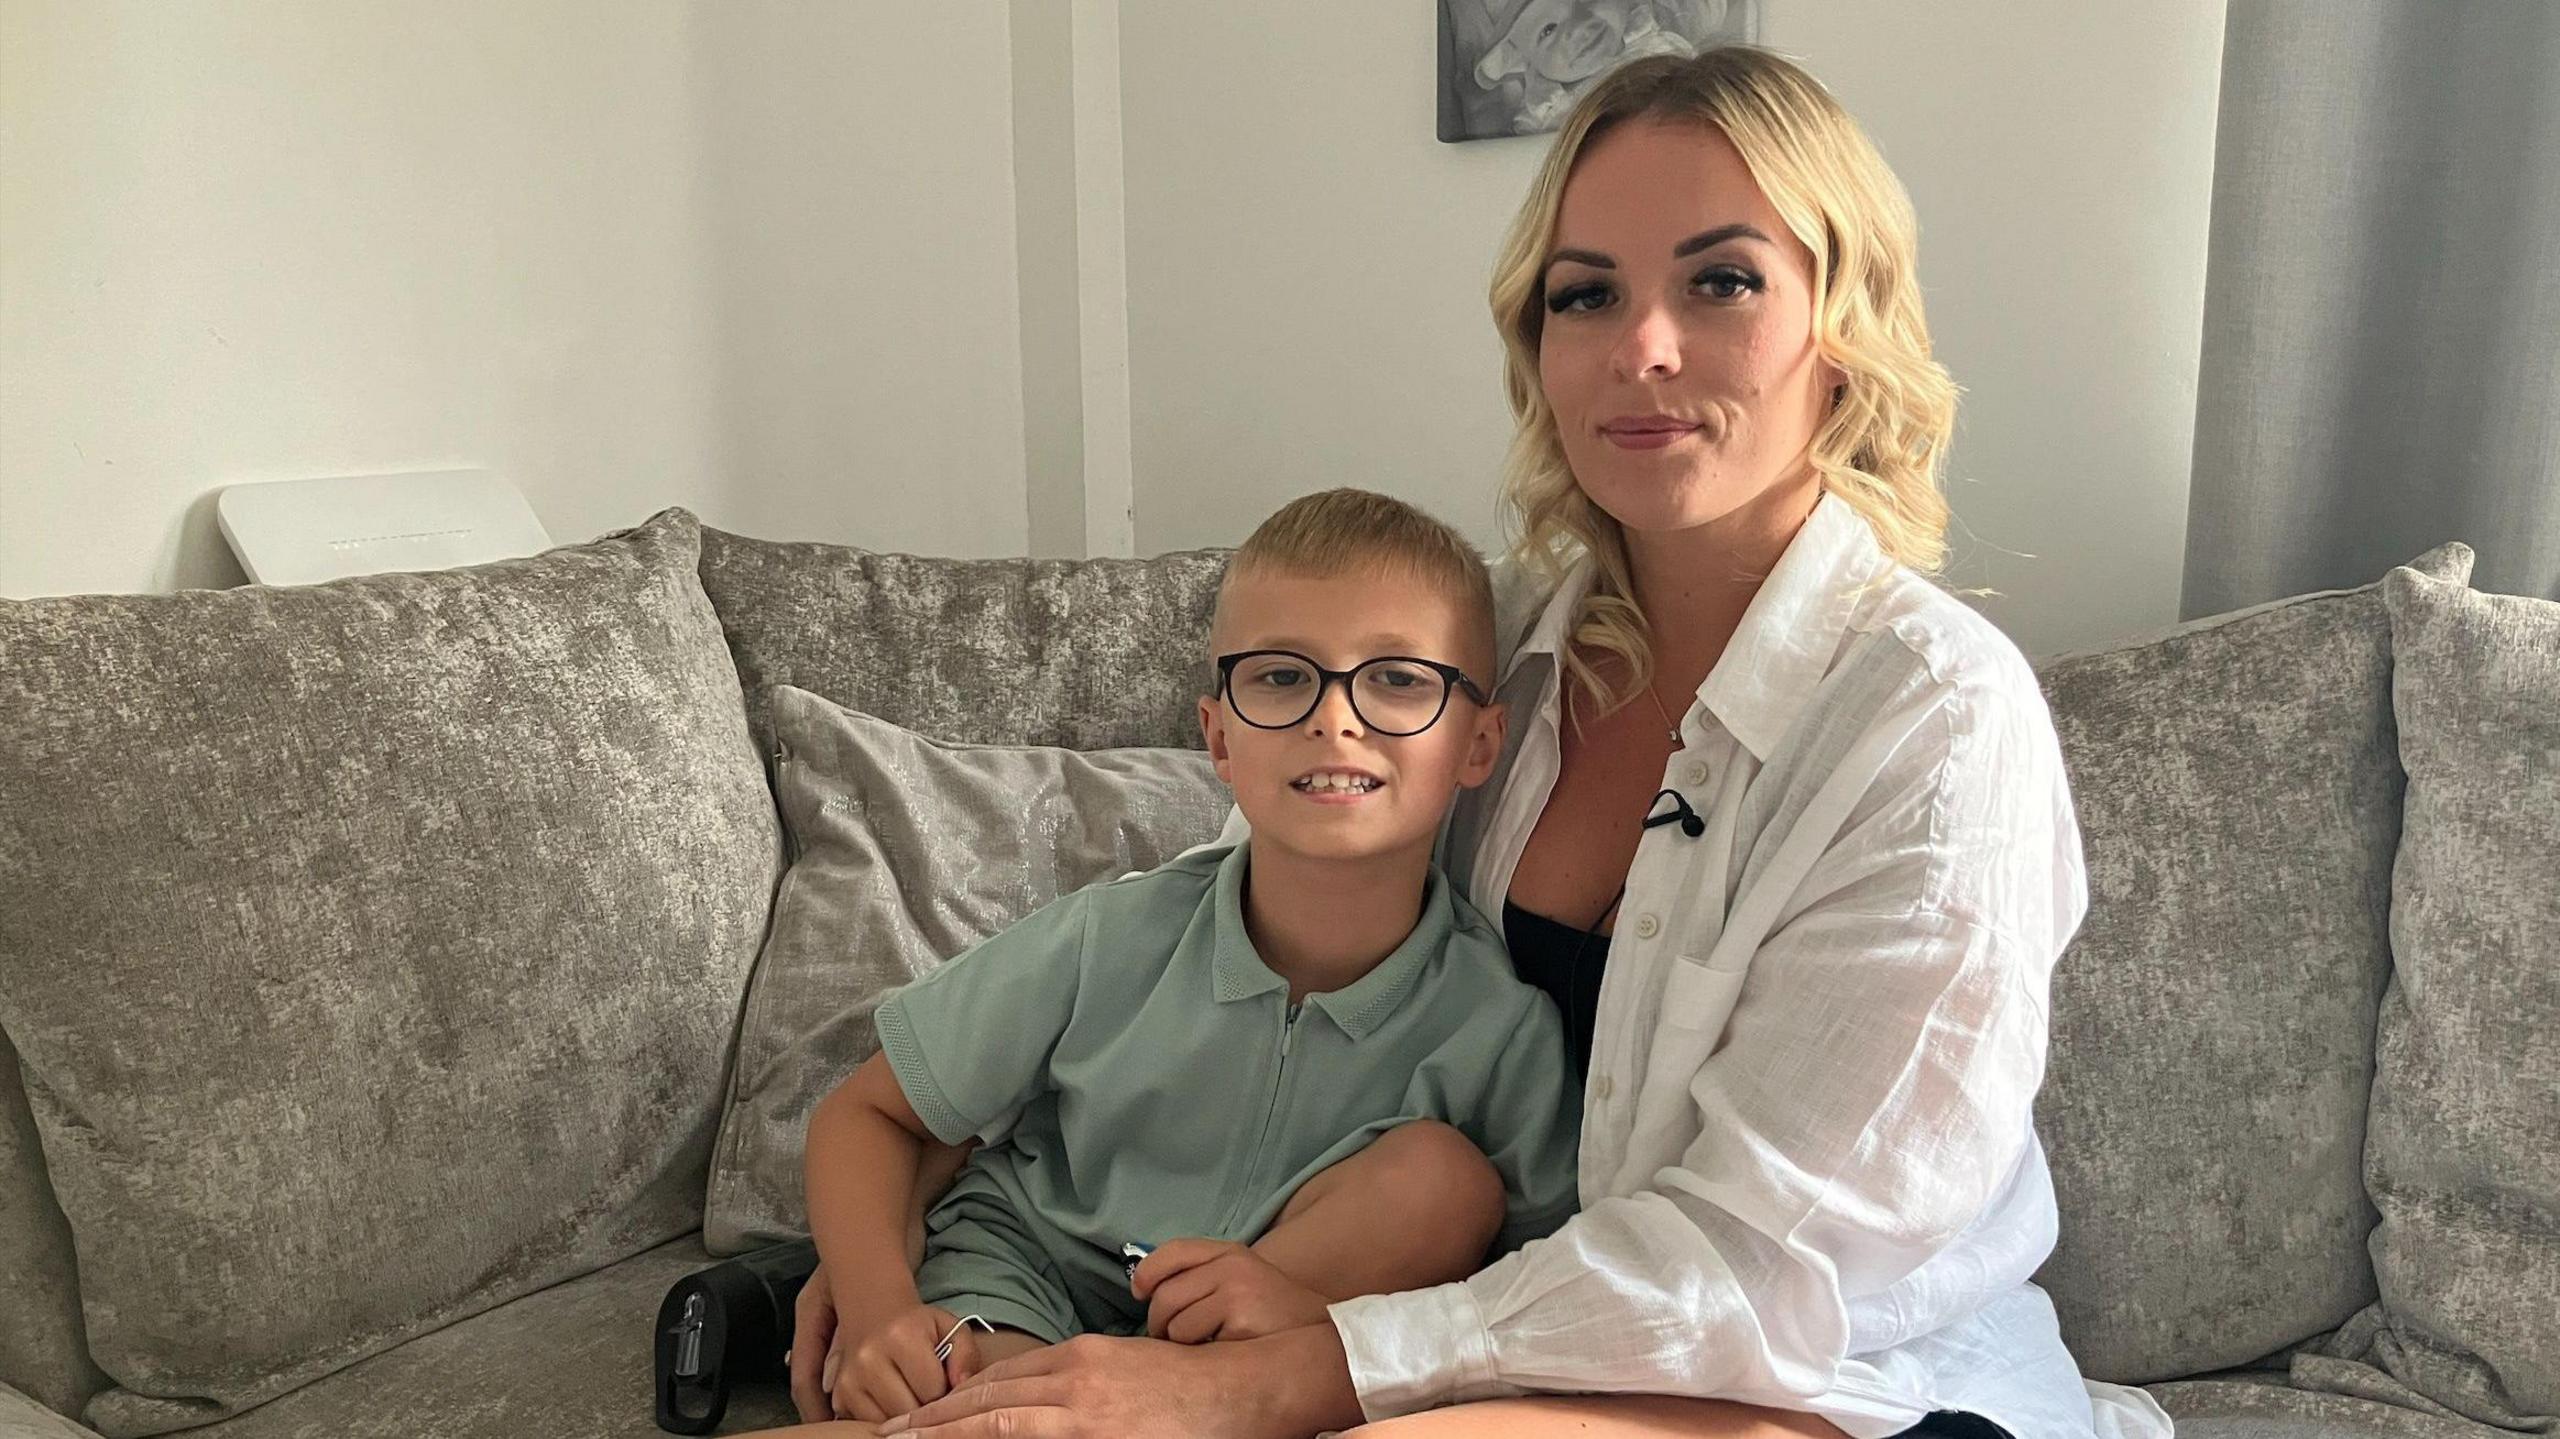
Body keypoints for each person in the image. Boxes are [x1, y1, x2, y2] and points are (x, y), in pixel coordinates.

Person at [787, 44, 2175, 1439]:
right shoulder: (1469, 647)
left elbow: (1761, 1278)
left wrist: (1277, 1376)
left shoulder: (1934, 721)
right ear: (1537, 349)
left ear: (1845, 320)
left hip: (1813, 1375)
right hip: (1471, 1325)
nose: (1643, 346)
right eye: (1587, 295)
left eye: (1724, 280)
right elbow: (1245, 921)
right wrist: (888, 1251)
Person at [749, 489, 1583, 1430]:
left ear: (1478, 744)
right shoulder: (1110, 935)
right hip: (1027, 1279)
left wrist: (1310, 1318)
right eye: (1279, 676)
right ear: (1218, 735)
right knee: (1012, 1421)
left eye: (1397, 678)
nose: (1335, 718)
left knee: (1445, 1178)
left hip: (1262, 1343)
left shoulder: (1500, 1028)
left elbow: (1546, 1285)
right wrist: (877, 1311)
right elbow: (866, 1112)